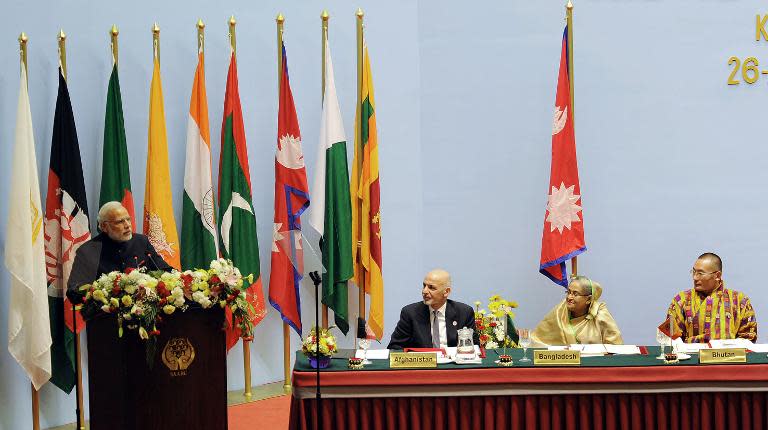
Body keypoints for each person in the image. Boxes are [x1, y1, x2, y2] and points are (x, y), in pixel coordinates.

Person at [66, 201, 172, 303]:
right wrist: (99, 291)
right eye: (119, 222)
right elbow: (74, 290)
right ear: (104, 227)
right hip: (105, 316)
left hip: (143, 312)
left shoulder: (142, 242)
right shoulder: (88, 251)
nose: (127, 225)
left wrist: (182, 279)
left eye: (128, 220)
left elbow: (164, 270)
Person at [665, 253, 757, 343]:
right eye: (694, 272)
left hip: (729, 356)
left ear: (717, 276)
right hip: (691, 356)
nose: (695, 278)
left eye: (700, 273)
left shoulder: (739, 300)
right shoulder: (681, 299)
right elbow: (671, 336)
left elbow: (749, 337)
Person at [387, 269, 478, 350]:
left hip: (453, 365)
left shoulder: (464, 312)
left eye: (431, 287)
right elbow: (395, 347)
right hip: (423, 366)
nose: (424, 291)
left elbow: (474, 346)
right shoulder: (410, 313)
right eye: (424, 286)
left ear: (446, 292)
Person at [531, 275, 623, 346]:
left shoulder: (600, 314)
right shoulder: (560, 312)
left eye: (575, 294)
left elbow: (616, 347)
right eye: (568, 292)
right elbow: (537, 340)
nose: (569, 297)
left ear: (588, 299)